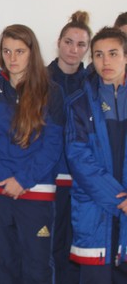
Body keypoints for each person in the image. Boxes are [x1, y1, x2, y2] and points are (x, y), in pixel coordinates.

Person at [0, 24, 64, 284]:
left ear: (32, 53)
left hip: (35, 192)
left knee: (37, 269)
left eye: (19, 51)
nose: (12, 58)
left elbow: (53, 146)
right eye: (7, 51)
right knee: (2, 266)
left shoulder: (51, 92)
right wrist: (3, 175)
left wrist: (22, 180)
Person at [65, 26, 127, 283]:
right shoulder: (79, 103)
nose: (106, 61)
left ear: (125, 56)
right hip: (95, 210)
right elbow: (79, 158)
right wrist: (119, 200)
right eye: (99, 55)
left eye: (113, 54)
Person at [47, 11, 92, 284]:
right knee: (48, 247)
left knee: (77, 249)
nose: (73, 50)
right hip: (48, 178)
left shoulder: (93, 83)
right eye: (68, 42)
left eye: (81, 44)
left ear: (87, 49)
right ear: (59, 42)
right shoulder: (40, 79)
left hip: (81, 180)